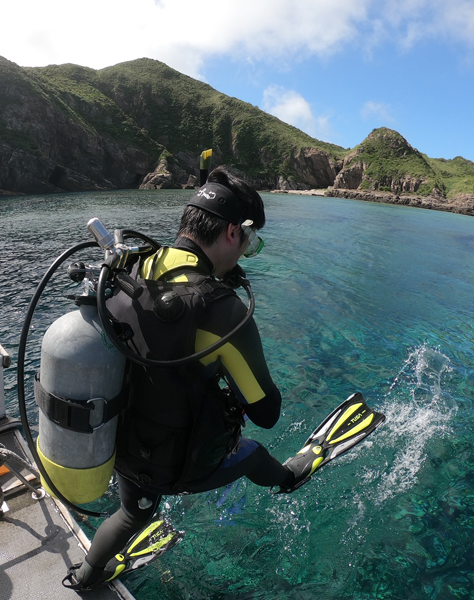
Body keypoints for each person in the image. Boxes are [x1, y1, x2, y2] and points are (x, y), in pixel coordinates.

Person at [69, 166, 312, 589]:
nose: (244, 254)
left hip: (122, 446)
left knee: (133, 512)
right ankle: (291, 475)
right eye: (249, 243)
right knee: (253, 452)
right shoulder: (222, 309)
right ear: (233, 233)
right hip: (174, 466)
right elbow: (267, 412)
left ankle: (87, 574)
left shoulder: (131, 266)